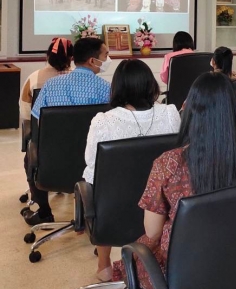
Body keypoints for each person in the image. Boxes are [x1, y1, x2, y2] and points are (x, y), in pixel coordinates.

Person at [111, 73, 236, 288]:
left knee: (134, 253)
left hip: (182, 266)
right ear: (232, 110)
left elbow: (153, 231)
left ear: (191, 109)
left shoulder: (169, 164)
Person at [83, 59, 181, 282]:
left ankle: (104, 265)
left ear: (117, 87)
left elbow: (92, 167)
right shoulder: (170, 114)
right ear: (151, 84)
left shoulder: (103, 122)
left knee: (97, 186)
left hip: (115, 214)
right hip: (161, 210)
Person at [26, 37, 111, 226]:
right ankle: (92, 215)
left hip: (53, 165)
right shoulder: (106, 89)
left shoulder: (50, 86)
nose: (108, 59)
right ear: (92, 61)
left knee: (30, 155)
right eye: (106, 55)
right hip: (94, 165)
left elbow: (38, 123)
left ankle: (44, 211)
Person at [19, 37, 73, 120]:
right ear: (70, 58)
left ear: (48, 56)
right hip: (74, 128)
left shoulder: (34, 77)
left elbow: (25, 111)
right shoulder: (79, 79)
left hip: (43, 130)